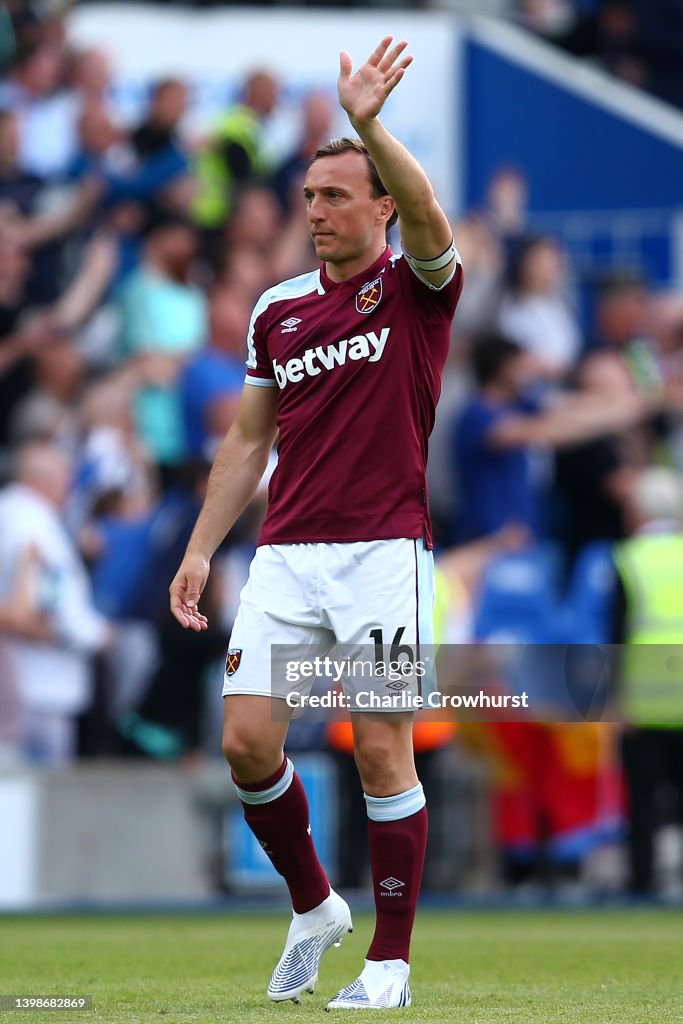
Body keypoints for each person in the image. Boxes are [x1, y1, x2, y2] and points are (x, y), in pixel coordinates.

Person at [170, 37, 463, 1011]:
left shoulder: (417, 290)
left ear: (378, 204)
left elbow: (427, 214)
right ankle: (312, 904)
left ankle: (390, 963)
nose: (316, 213)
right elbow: (249, 440)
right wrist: (202, 545)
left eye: (335, 195)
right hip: (288, 557)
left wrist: (369, 122)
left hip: (383, 553)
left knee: (381, 747)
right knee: (248, 743)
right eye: (307, 199)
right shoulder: (277, 310)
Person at [612, 467, 683, 894]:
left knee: (642, 805)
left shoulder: (628, 559)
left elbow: (614, 635)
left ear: (638, 512)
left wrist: (613, 700)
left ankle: (642, 888)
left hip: (643, 705)